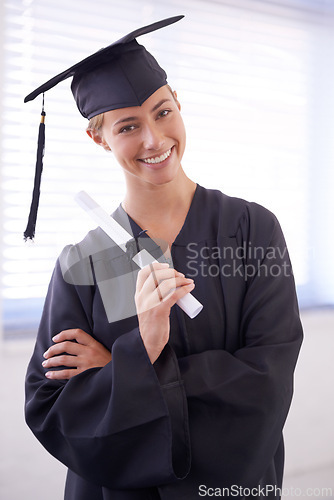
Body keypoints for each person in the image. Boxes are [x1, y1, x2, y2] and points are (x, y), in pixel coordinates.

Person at [24, 15, 303, 500]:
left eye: (162, 111)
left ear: (179, 104)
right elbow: (50, 405)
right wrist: (144, 350)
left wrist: (126, 366)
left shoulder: (251, 230)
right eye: (128, 126)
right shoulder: (85, 262)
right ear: (99, 137)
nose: (154, 140)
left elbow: (268, 380)